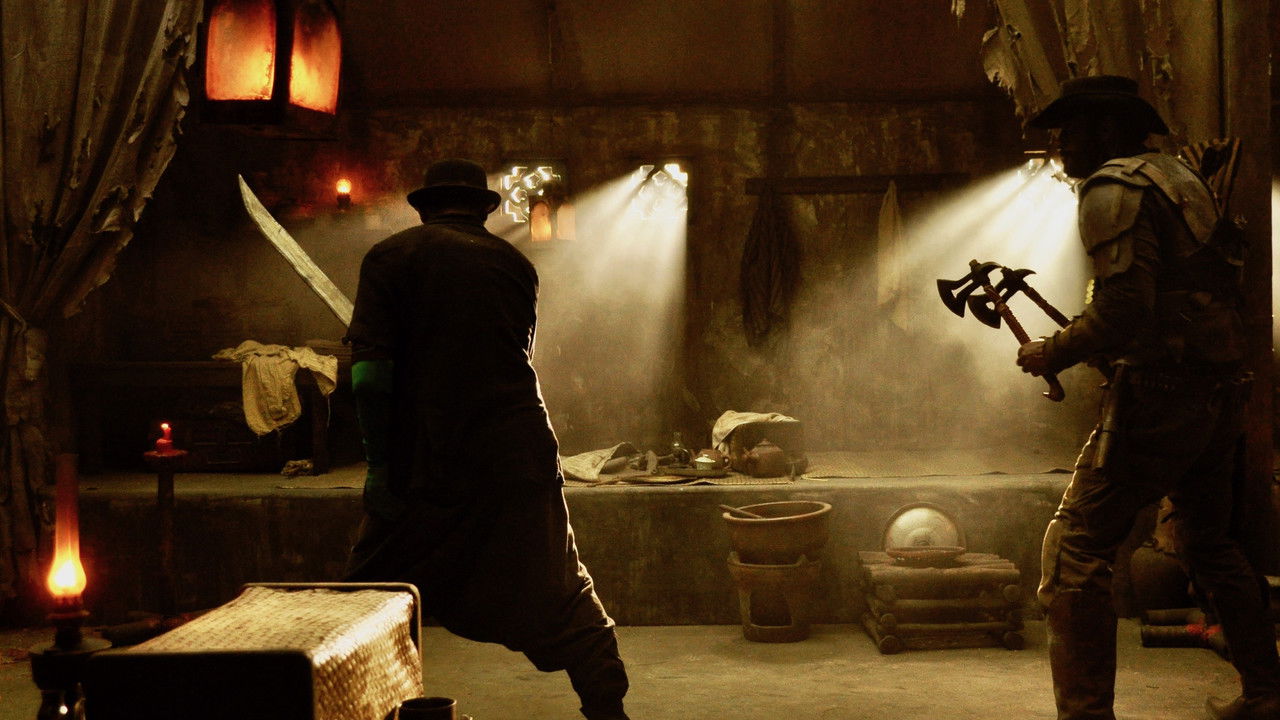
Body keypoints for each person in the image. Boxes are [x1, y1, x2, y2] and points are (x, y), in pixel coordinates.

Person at [1015, 75, 1280, 720]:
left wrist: (1052, 351)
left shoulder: (1113, 187)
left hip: (1162, 398)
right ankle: (1267, 694)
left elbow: (1124, 309)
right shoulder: (1179, 178)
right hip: (1217, 388)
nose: (1059, 142)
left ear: (1107, 129)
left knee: (1076, 548)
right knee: (1209, 542)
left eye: (1070, 128)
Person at [342, 158, 631, 720]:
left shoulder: (390, 257)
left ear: (424, 209)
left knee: (366, 603)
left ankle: (351, 704)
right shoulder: (515, 265)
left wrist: (379, 465)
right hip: (516, 452)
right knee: (562, 593)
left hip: (427, 460)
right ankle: (609, 710)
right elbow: (512, 356)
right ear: (483, 211)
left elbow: (371, 378)